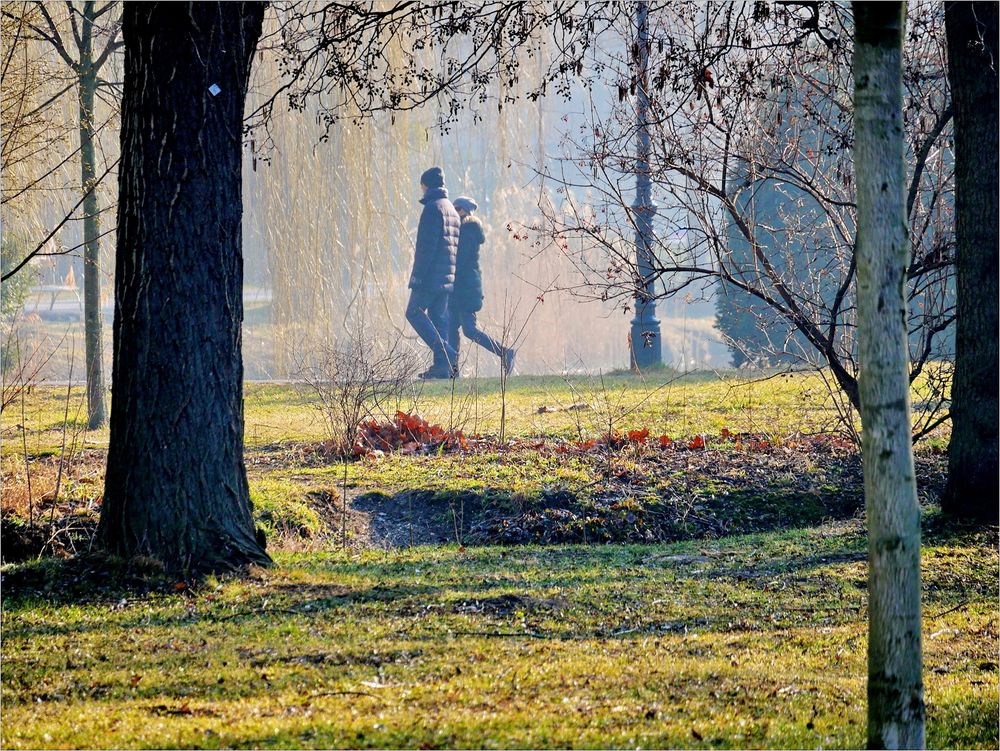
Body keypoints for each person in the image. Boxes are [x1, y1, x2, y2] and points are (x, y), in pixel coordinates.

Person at [448, 196, 515, 376]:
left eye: (457, 209)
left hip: (465, 291)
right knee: (451, 329)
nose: (454, 211)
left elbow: (460, 261)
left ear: (465, 211)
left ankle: (505, 352)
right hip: (458, 290)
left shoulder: (468, 231)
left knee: (469, 330)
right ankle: (452, 370)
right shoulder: (461, 230)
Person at [405, 166, 461, 379]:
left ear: (426, 185)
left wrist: (417, 277)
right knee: (438, 318)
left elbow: (426, 248)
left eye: (421, 186)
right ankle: (443, 368)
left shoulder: (432, 208)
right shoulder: (451, 209)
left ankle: (446, 353)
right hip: (447, 276)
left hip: (430, 277)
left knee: (413, 311)